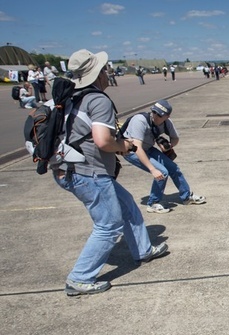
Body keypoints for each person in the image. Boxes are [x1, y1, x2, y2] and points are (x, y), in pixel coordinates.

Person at [53, 49, 169, 296]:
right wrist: (124, 146)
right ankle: (80, 278)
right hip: (90, 173)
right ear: (97, 74)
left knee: (127, 204)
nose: (107, 73)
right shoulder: (98, 100)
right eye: (104, 70)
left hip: (73, 169)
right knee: (109, 225)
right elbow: (103, 141)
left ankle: (143, 250)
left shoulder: (73, 97)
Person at [122, 99, 206, 213]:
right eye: (154, 112)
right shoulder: (139, 121)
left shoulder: (167, 122)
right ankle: (153, 203)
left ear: (167, 116)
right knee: (162, 172)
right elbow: (137, 148)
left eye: (160, 115)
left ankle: (186, 197)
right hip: (132, 151)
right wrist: (153, 169)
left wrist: (169, 146)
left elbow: (175, 138)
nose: (155, 116)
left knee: (174, 169)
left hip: (148, 148)